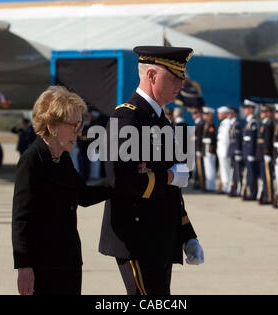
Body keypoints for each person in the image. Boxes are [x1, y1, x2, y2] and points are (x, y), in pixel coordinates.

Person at [99, 46, 204, 296]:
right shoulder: (127, 118)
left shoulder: (160, 120)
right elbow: (121, 181)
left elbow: (173, 189)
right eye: (174, 77)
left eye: (182, 77)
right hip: (137, 237)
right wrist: (167, 176)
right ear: (152, 76)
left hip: (160, 237)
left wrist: (187, 232)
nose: (181, 83)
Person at [12, 86, 112, 295]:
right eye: (73, 125)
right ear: (51, 126)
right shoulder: (31, 161)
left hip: (68, 261)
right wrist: (24, 266)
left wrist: (118, 184)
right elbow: (21, 219)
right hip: (42, 265)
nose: (79, 131)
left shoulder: (63, 158)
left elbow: (82, 195)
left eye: (80, 124)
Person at [256, 104, 275, 205]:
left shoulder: (268, 124)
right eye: (262, 112)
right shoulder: (263, 124)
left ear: (269, 113)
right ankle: (265, 195)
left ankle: (269, 196)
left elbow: (267, 140)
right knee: (263, 176)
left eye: (264, 112)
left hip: (265, 153)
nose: (262, 114)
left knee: (267, 176)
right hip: (261, 153)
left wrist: (267, 152)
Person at [242, 99, 260, 201]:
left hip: (250, 152)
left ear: (251, 109)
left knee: (252, 174)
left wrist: (251, 153)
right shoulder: (249, 122)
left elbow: (253, 139)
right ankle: (250, 192)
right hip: (247, 151)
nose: (245, 110)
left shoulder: (253, 122)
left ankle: (253, 193)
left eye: (247, 108)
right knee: (249, 174)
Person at [227, 106, 243, 197]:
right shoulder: (232, 124)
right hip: (232, 151)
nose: (228, 114)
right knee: (233, 171)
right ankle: (234, 188)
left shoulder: (236, 124)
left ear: (234, 114)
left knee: (237, 171)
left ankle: (238, 189)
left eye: (230, 113)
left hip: (235, 151)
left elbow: (237, 139)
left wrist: (237, 151)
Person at [216, 106, 232, 194]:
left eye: (220, 113)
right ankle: (226, 186)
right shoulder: (223, 123)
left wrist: (226, 152)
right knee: (223, 169)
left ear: (225, 114)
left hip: (224, 151)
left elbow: (226, 139)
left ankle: (227, 186)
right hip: (221, 150)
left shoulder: (227, 123)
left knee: (226, 169)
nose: (218, 115)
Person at [202, 106, 217, 192]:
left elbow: (212, 138)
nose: (205, 115)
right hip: (206, 149)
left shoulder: (211, 125)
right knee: (207, 168)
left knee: (210, 168)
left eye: (207, 114)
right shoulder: (206, 124)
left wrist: (207, 140)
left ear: (210, 115)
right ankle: (209, 185)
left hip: (210, 149)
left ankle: (211, 186)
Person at [192, 108, 206, 191]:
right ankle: (197, 182)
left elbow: (200, 138)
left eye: (195, 113)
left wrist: (199, 149)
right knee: (197, 167)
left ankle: (201, 183)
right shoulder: (197, 123)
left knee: (200, 167)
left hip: (198, 148)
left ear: (199, 114)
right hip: (195, 148)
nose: (193, 115)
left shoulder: (201, 123)